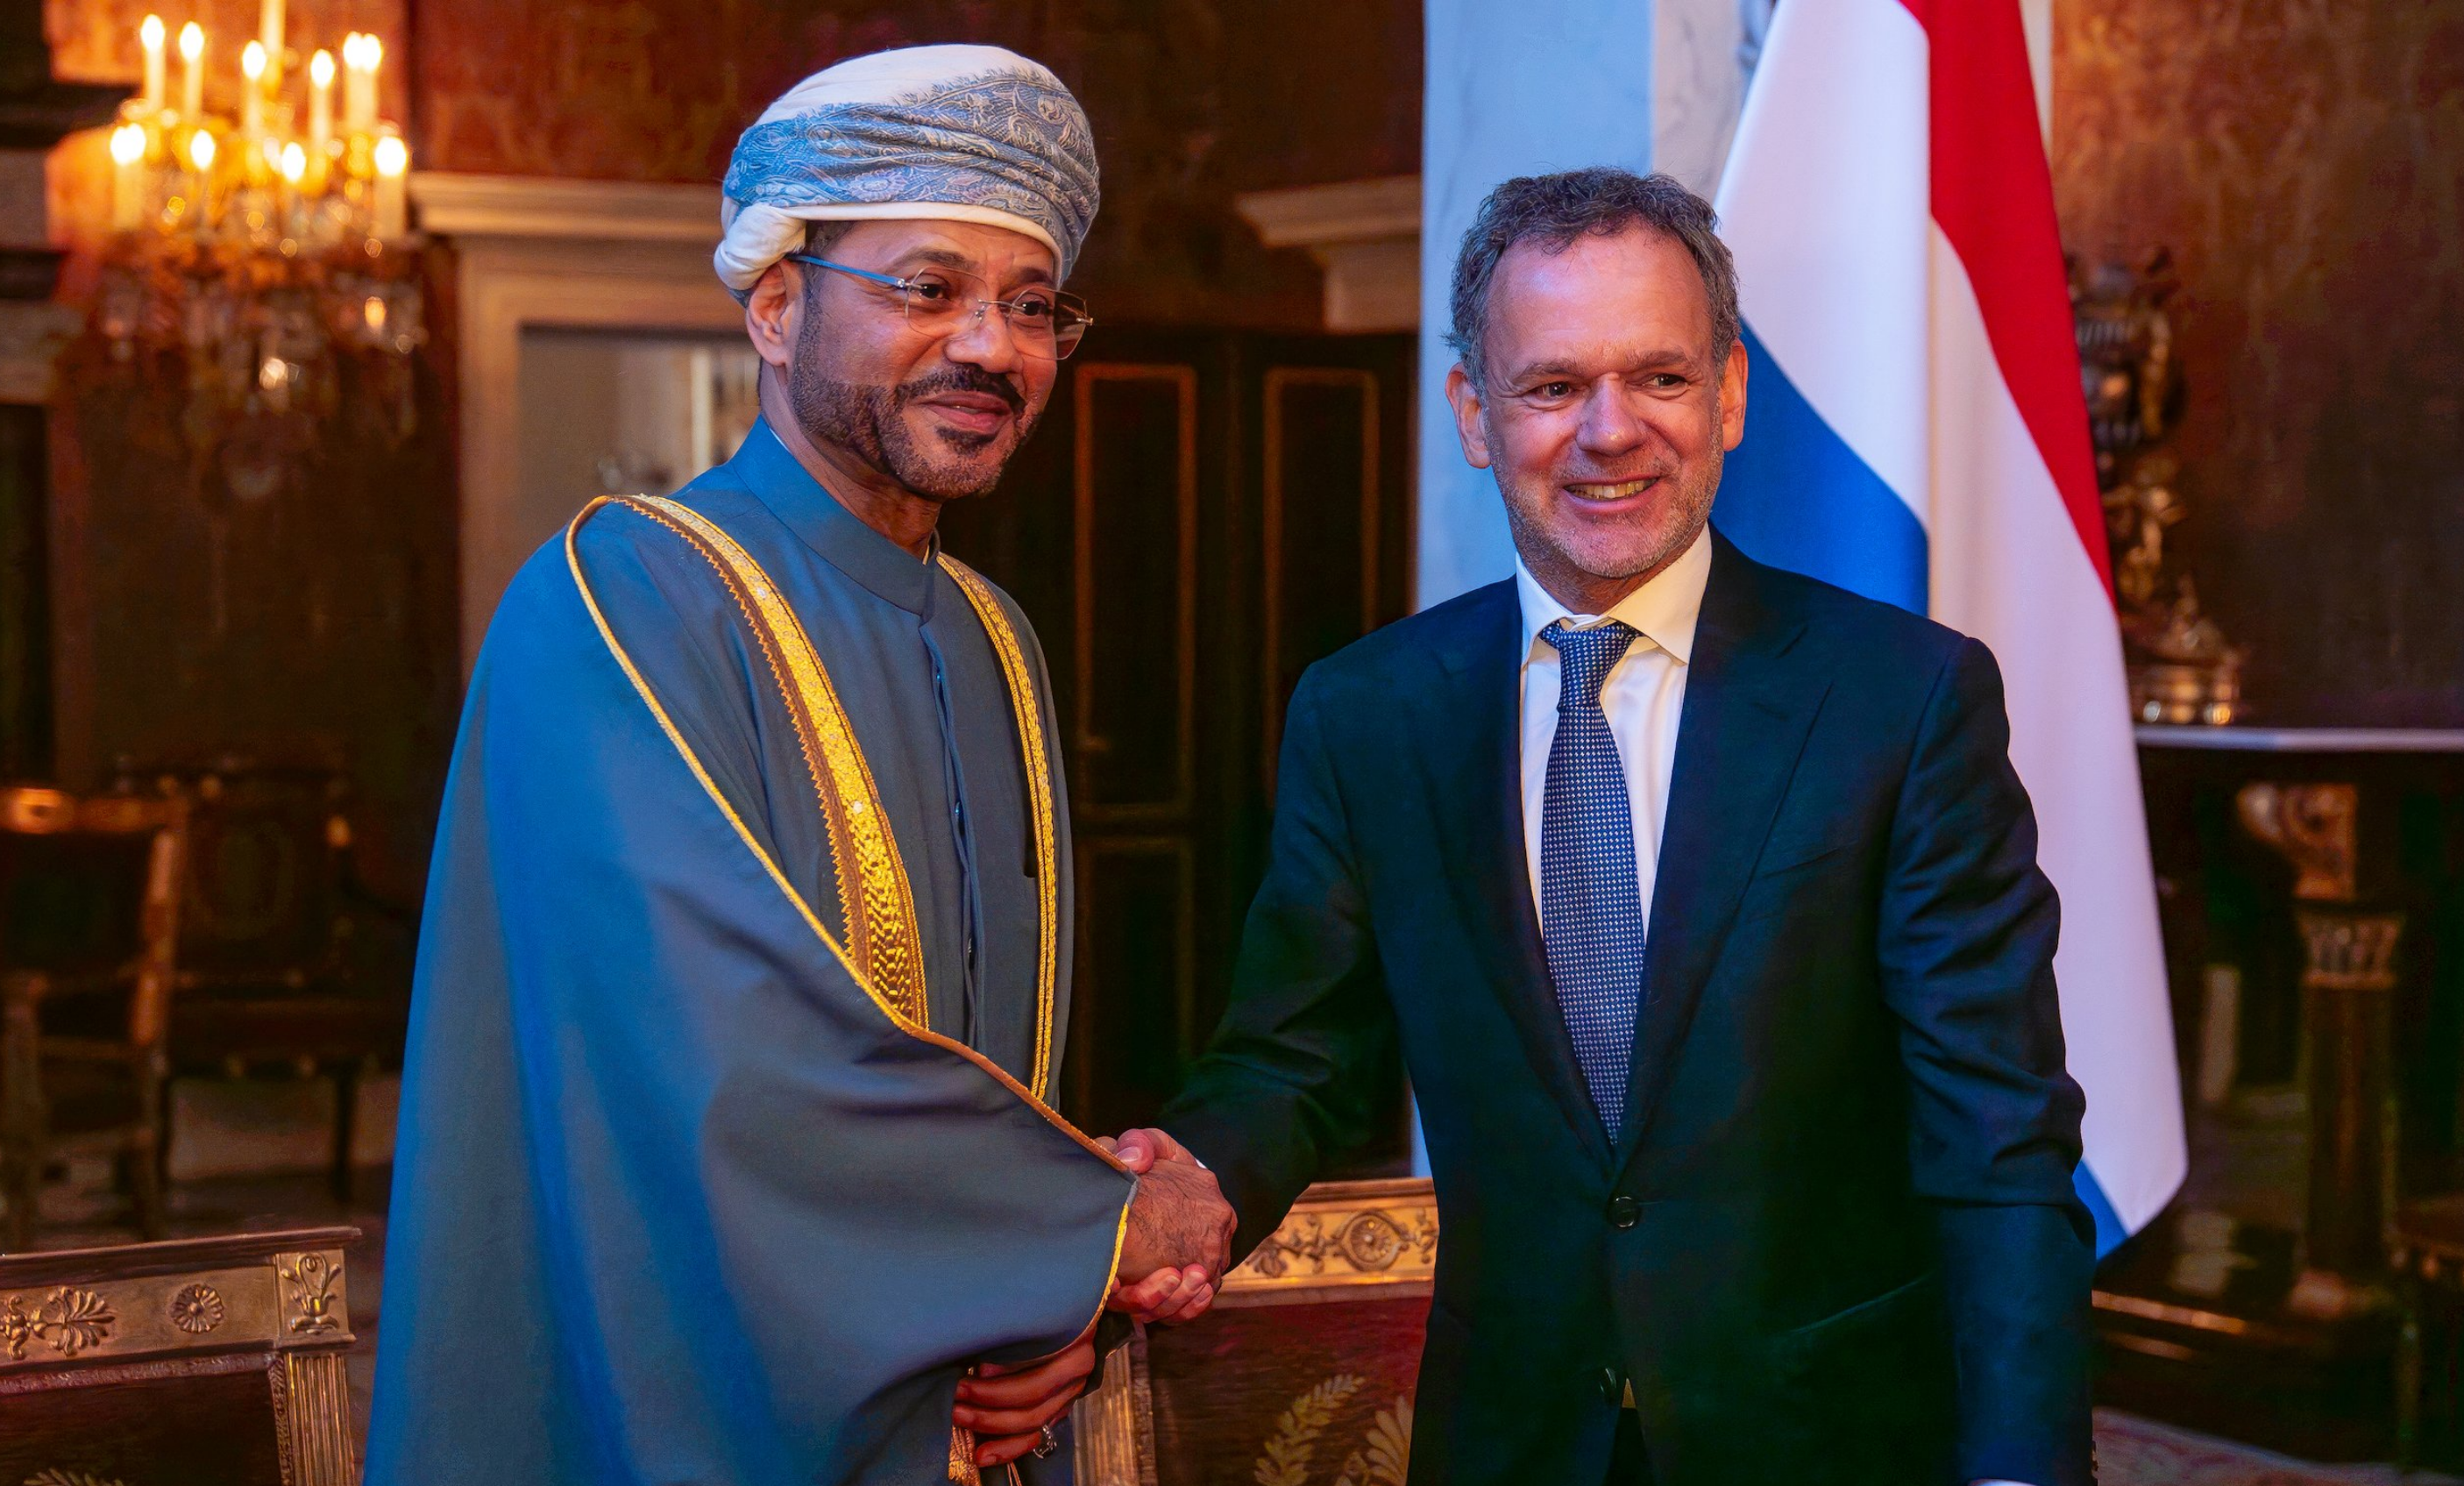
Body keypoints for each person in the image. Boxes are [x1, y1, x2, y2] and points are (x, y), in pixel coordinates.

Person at [1126, 167, 2095, 1485]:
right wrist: (1187, 1189)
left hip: (1832, 1443)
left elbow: (1997, 1135)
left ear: (1729, 394)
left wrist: (2023, 1468)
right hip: (1509, 1444)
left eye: (1660, 377)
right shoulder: (1369, 713)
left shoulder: (1902, 699)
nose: (1609, 430)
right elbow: (1293, 1060)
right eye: (1550, 385)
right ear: (1473, 412)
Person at [367, 46, 1232, 1486]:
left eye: (1031, 305)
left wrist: (1035, 1319)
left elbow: (982, 1055)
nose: (991, 347)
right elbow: (713, 1064)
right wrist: (1082, 1232)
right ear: (775, 306)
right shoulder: (620, 592)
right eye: (927, 287)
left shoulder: (992, 634)